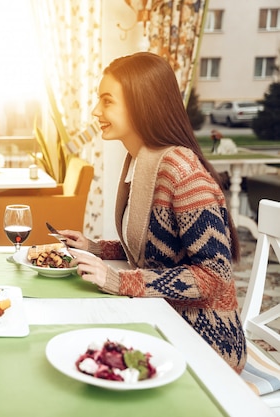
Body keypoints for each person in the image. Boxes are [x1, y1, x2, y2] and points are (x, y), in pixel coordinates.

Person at [60, 52, 246, 373]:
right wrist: (94, 248)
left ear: (141, 104)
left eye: (107, 101)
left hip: (205, 339)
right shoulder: (141, 160)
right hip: (161, 315)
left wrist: (120, 281)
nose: (95, 111)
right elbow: (155, 248)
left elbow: (213, 278)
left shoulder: (183, 174)